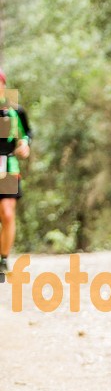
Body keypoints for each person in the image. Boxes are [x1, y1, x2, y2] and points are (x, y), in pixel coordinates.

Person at [0, 68, 31, 274]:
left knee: (8, 213)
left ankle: (3, 259)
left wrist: (25, 145)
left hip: (8, 166)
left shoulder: (14, 111)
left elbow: (27, 132)